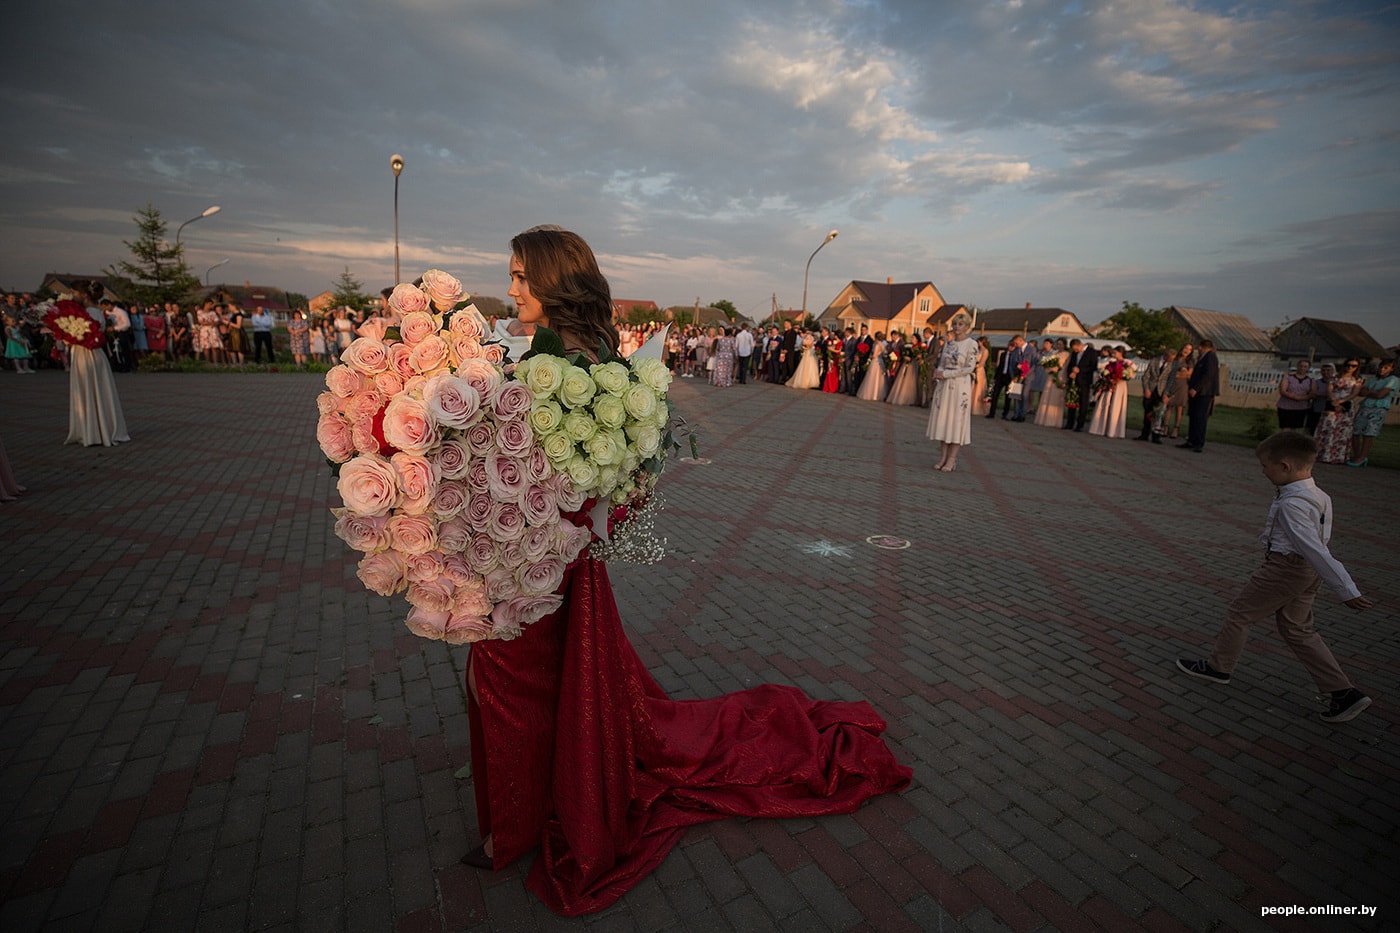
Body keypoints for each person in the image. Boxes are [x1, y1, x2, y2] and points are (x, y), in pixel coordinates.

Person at [465, 227, 911, 914]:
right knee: (537, 690)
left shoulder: (572, 371)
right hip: (544, 557)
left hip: (538, 562)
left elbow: (573, 479)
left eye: (522, 274)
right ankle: (524, 812)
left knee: (506, 686)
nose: (513, 286)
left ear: (554, 282)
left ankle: (518, 823)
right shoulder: (574, 361)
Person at [1175, 431, 1373, 724]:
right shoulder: (1319, 495)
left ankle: (1219, 667)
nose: (1263, 471)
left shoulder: (1293, 504)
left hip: (1286, 569)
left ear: (1285, 466)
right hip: (1305, 573)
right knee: (1297, 630)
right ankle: (1343, 692)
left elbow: (1313, 548)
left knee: (1239, 614)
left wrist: (1346, 588)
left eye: (1265, 466)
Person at [64, 282, 131, 447]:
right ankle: (98, 427)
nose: (73, 296)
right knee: (97, 390)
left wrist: (66, 334)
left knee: (90, 388)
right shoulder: (97, 312)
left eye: (74, 292)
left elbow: (84, 334)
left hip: (87, 353)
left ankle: (92, 430)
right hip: (91, 354)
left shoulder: (87, 313)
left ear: (84, 295)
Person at [925, 312, 979, 472]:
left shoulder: (971, 344)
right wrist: (938, 372)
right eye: (955, 324)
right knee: (943, 420)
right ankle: (943, 456)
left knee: (956, 421)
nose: (957, 327)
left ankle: (952, 459)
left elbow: (969, 368)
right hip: (944, 386)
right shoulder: (948, 344)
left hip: (959, 386)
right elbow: (941, 362)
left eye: (960, 324)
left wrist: (947, 374)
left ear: (967, 327)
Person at [1348, 358, 1398, 467]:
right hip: (1366, 406)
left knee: (1368, 433)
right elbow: (1361, 391)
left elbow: (1381, 394)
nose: (1382, 369)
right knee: (1355, 431)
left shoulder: (1393, 380)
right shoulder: (1374, 379)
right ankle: (1357, 455)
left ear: (1391, 369)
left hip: (1378, 408)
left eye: (1386, 368)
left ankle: (1362, 457)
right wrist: (1372, 392)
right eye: (1381, 367)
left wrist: (1370, 392)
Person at [1312, 362, 1357, 465]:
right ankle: (1322, 455)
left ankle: (1337, 457)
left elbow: (1354, 393)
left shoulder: (1356, 380)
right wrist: (1334, 402)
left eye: (1353, 366)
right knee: (1327, 429)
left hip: (1345, 405)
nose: (1350, 367)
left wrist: (1341, 402)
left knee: (1341, 432)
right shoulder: (1334, 378)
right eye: (1348, 365)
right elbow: (1329, 390)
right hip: (1332, 404)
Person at [1180, 339, 1219, 452]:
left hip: (1204, 392)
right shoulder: (1203, 358)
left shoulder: (1210, 357)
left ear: (1202, 347)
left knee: (1200, 417)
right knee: (1193, 416)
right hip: (1197, 392)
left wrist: (1196, 388)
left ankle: (1198, 442)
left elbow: (1208, 375)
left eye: (1199, 348)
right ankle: (1191, 440)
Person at [1088, 347, 1132, 438]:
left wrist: (1117, 380)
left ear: (1121, 353)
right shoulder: (1111, 363)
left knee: (1115, 406)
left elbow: (1129, 374)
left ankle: (1113, 430)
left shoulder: (1126, 363)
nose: (1114, 354)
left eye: (1115, 352)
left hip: (1119, 386)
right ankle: (1101, 427)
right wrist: (1107, 378)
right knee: (1105, 404)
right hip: (1109, 384)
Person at [1136, 347, 1176, 443]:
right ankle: (1145, 434)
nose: (1171, 360)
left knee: (1159, 414)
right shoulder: (1154, 361)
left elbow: (1171, 380)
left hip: (1162, 391)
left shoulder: (1173, 365)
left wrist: (1166, 394)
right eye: (1170, 358)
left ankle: (1156, 435)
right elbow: (1146, 376)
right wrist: (1146, 389)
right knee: (1148, 412)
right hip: (1151, 389)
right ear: (1166, 356)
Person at [1062, 339, 1099, 431]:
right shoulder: (1074, 354)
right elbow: (1070, 365)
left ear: (1080, 345)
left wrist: (1080, 370)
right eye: (1074, 350)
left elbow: (1093, 366)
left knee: (1083, 403)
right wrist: (1071, 371)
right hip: (1074, 380)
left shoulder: (1091, 352)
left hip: (1084, 381)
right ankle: (1069, 423)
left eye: (1076, 349)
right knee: (1072, 402)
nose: (1075, 351)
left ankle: (1080, 424)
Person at [1033, 339, 1070, 428]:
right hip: (1051, 376)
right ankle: (1043, 418)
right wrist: (1048, 368)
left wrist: (1063, 378)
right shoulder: (1054, 353)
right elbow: (1047, 362)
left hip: (1060, 376)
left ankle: (1053, 420)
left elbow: (1066, 367)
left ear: (1064, 345)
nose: (1059, 346)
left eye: (1061, 344)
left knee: (1055, 397)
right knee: (1047, 395)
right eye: (1058, 344)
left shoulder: (1067, 354)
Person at [1164, 344, 1194, 439]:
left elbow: (1189, 375)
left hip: (1182, 386)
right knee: (1169, 405)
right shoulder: (1175, 358)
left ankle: (1176, 429)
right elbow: (1169, 371)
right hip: (1172, 384)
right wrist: (1179, 374)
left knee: (1179, 408)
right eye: (1186, 348)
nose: (1187, 350)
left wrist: (1178, 374)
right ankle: (1165, 427)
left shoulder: (1190, 361)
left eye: (1189, 350)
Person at [1276, 359, 1314, 431]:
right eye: (1301, 366)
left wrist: (1301, 398)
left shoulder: (1311, 380)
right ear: (1297, 366)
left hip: (1300, 408)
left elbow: (1313, 393)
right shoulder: (1287, 377)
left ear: (1308, 368)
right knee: (1285, 429)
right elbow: (1283, 391)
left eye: (1305, 366)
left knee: (1294, 429)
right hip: (1286, 407)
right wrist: (1295, 397)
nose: (1302, 368)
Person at [856, 331, 888, 400]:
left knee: (872, 377)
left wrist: (870, 357)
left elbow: (874, 355)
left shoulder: (877, 345)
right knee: (879, 378)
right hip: (881, 361)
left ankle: (872, 394)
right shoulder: (883, 345)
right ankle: (878, 394)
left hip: (875, 361)